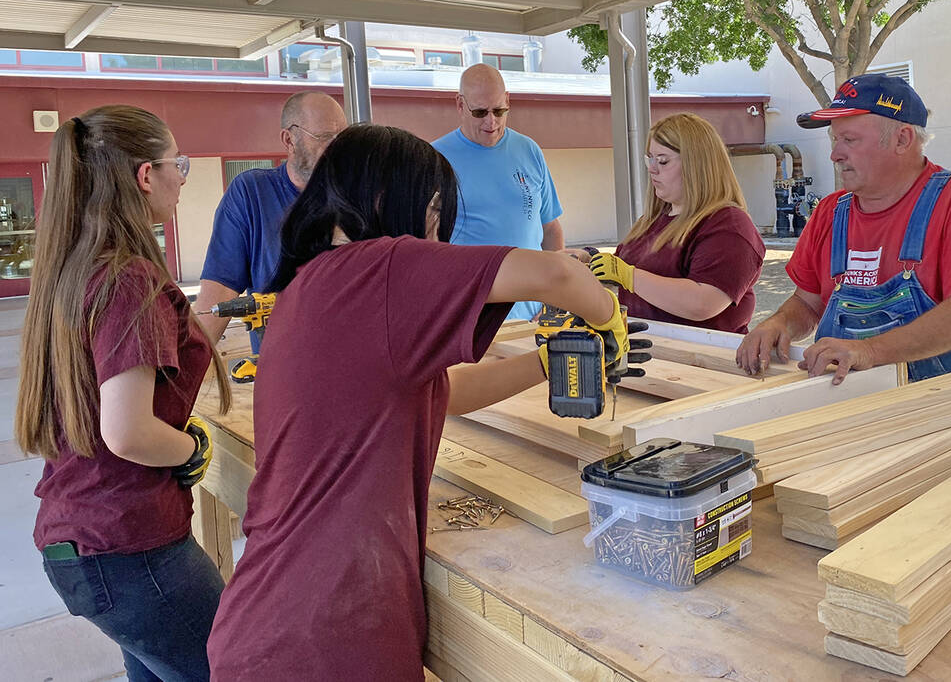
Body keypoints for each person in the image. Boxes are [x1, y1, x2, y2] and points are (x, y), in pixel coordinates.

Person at [207, 125, 644, 681]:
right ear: (401, 202)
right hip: (324, 635)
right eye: (438, 213)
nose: (438, 237)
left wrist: (550, 359)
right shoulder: (382, 266)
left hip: (280, 617)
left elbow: (447, 394)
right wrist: (609, 317)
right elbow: (557, 272)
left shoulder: (313, 284)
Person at [15, 105, 232, 682]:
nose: (182, 177)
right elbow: (129, 430)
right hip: (130, 547)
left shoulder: (75, 268)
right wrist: (192, 449)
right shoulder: (129, 276)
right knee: (237, 667)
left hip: (87, 541)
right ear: (144, 176)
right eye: (176, 164)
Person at [736, 73, 951, 383]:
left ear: (902, 139)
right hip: (861, 402)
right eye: (835, 140)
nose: (835, 154)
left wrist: (870, 351)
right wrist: (779, 323)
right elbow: (808, 303)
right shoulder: (831, 213)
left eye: (850, 140)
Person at [586, 112, 765, 333]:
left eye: (662, 160)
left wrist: (629, 276)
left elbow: (703, 303)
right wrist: (590, 261)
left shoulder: (729, 225)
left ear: (697, 164)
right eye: (649, 159)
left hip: (702, 359)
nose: (652, 168)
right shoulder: (651, 221)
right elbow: (624, 270)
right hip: (650, 353)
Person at [194, 90, 347, 346]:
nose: (336, 149)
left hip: (350, 366)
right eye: (323, 137)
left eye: (341, 138)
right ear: (289, 140)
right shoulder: (252, 194)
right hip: (281, 371)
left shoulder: (359, 196)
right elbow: (218, 293)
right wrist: (185, 374)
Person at [432, 63, 564, 319]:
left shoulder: (529, 150)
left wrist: (554, 298)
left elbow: (550, 228)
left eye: (499, 110)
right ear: (460, 105)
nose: (491, 121)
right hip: (471, 319)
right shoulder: (434, 159)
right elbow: (426, 246)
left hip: (534, 316)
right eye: (480, 112)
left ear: (508, 100)